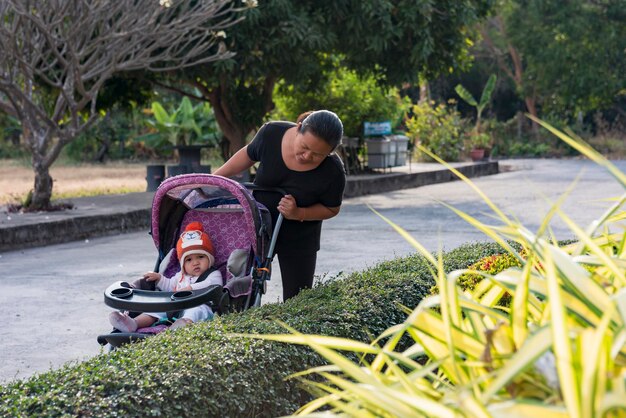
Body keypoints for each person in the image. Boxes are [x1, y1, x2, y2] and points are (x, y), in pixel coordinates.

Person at [213, 109, 346, 300]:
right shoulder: (271, 134)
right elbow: (248, 155)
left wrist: (299, 212)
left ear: (330, 153)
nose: (307, 156)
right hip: (258, 230)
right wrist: (214, 179)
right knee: (241, 290)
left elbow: (332, 208)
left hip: (299, 239)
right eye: (305, 146)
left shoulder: (333, 171)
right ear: (299, 128)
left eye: (317, 155)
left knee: (297, 299)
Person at [109, 221, 223, 331]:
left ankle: (183, 325)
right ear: (183, 264)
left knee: (196, 310)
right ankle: (133, 323)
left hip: (201, 305)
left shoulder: (213, 274)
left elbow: (214, 285)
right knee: (157, 308)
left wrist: (191, 288)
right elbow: (169, 286)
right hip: (175, 307)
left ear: (209, 258)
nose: (195, 262)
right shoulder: (181, 276)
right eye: (189, 259)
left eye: (200, 257)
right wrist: (159, 278)